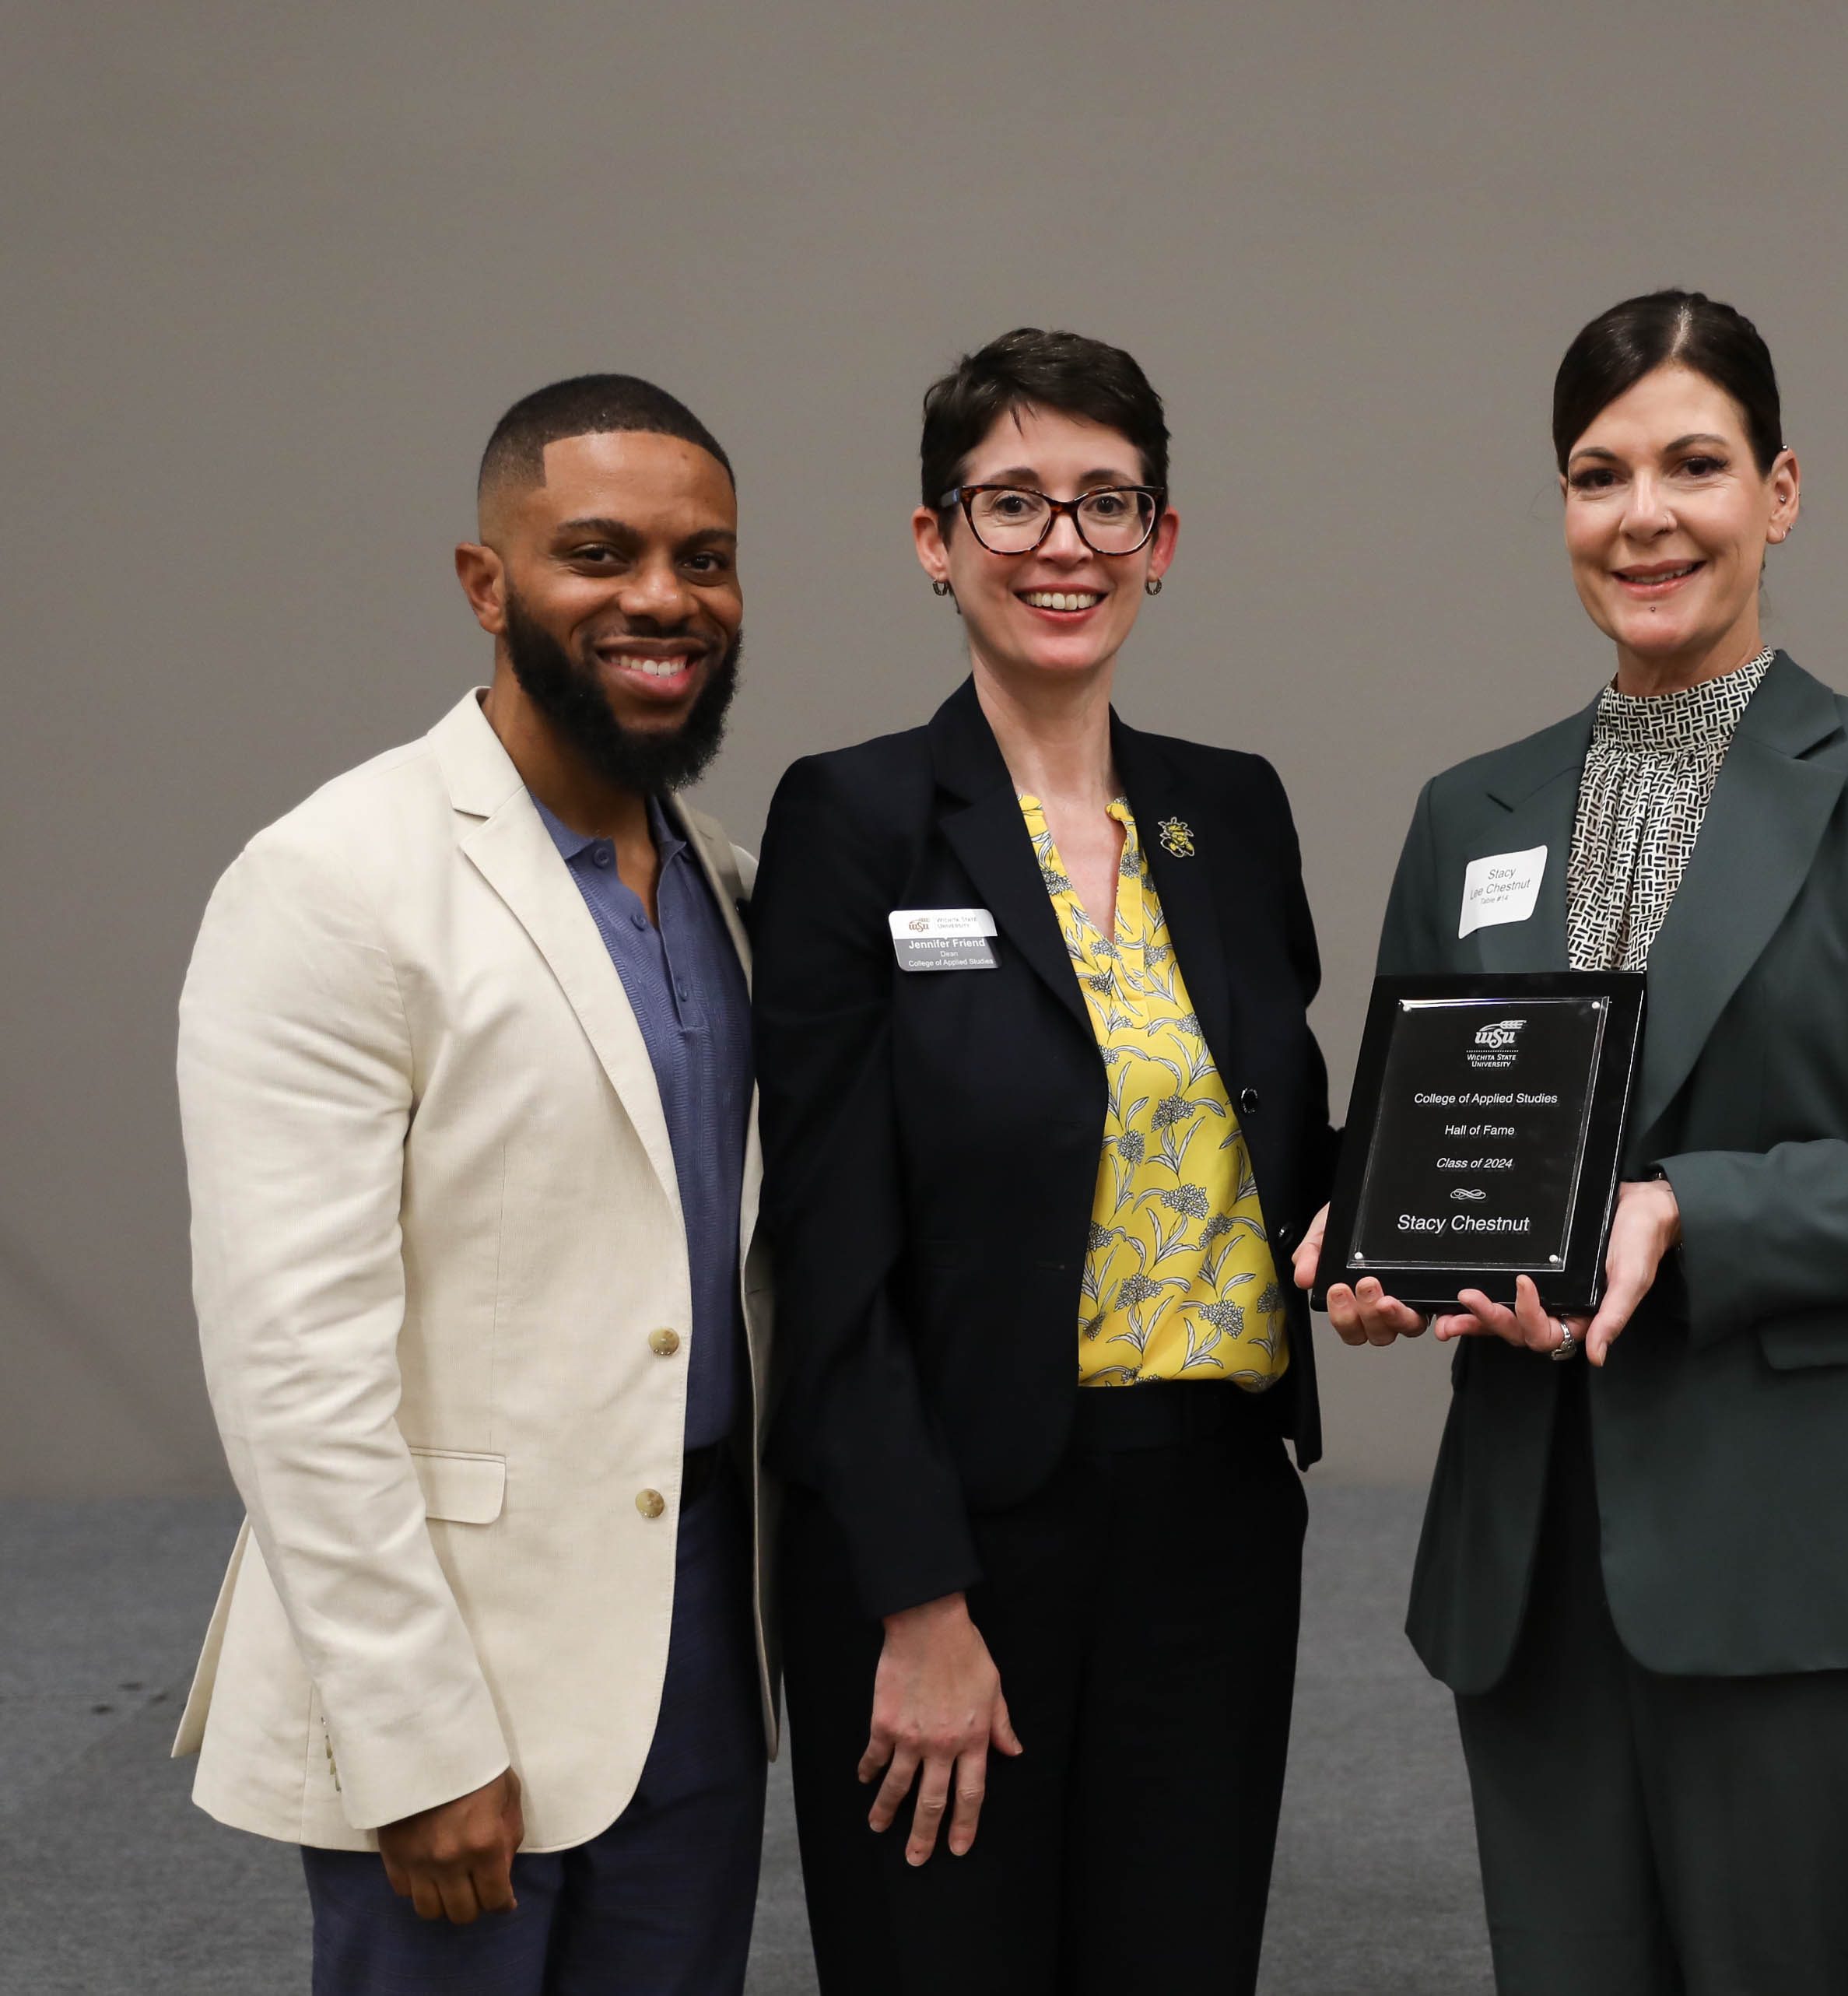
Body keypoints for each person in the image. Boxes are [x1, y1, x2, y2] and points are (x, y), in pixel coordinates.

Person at [1293, 289, 1848, 1996]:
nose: (1644, 514)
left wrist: (1683, 1210)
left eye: (1693, 464)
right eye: (1596, 472)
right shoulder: (1469, 809)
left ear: (1778, 491)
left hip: (1798, 1552)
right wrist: (1374, 1252)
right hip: (1530, 1560)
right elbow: (1419, 1139)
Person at [751, 328, 1336, 1994]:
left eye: (1104, 504)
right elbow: (832, 1244)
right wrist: (916, 1599)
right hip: (958, 1533)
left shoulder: (1230, 812)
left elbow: (1267, 1135)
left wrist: (1395, 1228)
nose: (1060, 546)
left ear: (1163, 540)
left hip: (1213, 1521)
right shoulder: (852, 818)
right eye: (1011, 503)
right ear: (934, 540)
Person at [174, 375, 772, 1992]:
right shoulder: (332, 881)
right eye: (600, 551)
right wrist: (414, 1736)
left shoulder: (727, 884)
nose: (663, 597)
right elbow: (293, 1363)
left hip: (702, 1650)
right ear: (485, 582)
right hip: (455, 1682)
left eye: (704, 558)